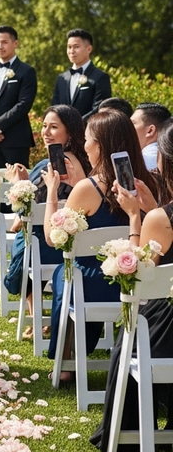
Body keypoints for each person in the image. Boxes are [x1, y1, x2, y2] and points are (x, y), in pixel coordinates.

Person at [43, 109, 155, 374]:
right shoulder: (148, 183)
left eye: (87, 139)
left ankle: (67, 360)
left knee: (65, 273)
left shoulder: (88, 189)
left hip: (95, 286)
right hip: (139, 284)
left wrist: (52, 189)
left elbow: (51, 237)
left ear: (100, 146)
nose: (84, 145)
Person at [90, 118, 173, 450]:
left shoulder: (161, 220)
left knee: (131, 333)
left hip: (165, 336)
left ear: (166, 162)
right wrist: (153, 208)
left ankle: (127, 433)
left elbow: (135, 284)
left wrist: (137, 218)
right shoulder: (162, 216)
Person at [2, 105, 90, 335]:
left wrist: (15, 182)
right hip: (77, 244)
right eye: (43, 126)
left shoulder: (50, 165)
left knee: (26, 239)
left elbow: (25, 211)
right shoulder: (86, 161)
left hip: (47, 247)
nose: (46, 132)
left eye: (53, 127)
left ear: (69, 132)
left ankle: (36, 318)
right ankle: (37, 318)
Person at [0, 25, 37, 168]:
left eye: (4, 42)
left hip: (16, 140)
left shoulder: (26, 71)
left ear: (15, 44)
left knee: (17, 186)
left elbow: (24, 104)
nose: (0, 46)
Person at [51, 29, 111, 119]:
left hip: (88, 130)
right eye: (69, 47)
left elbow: (100, 109)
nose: (71, 51)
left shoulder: (100, 77)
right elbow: (55, 107)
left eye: (76, 47)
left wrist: (76, 126)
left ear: (89, 49)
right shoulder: (61, 78)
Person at [130, 101, 171, 172]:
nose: (128, 127)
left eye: (132, 124)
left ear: (150, 130)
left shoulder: (142, 161)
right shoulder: (167, 156)